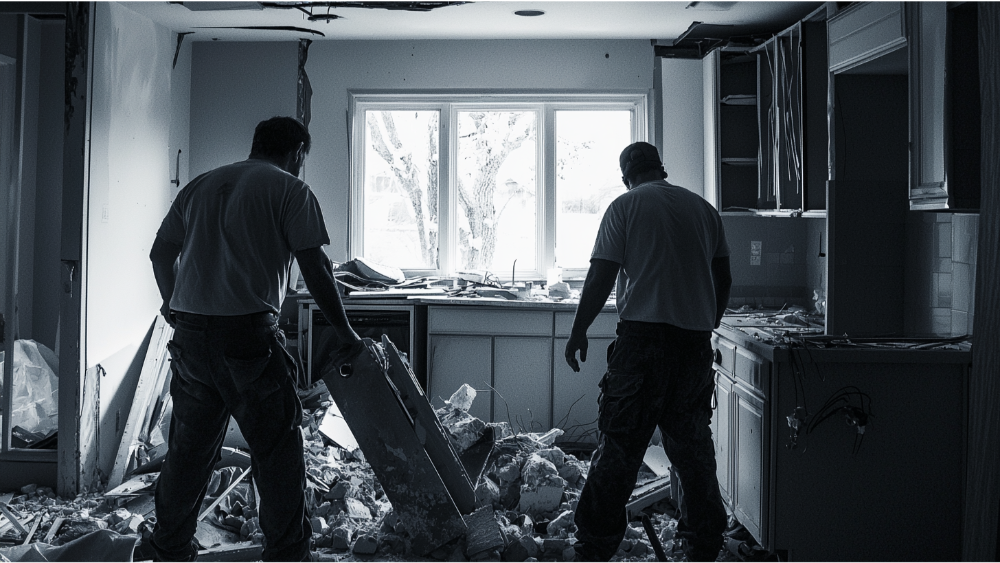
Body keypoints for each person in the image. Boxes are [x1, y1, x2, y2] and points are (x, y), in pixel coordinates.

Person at [148, 116, 362, 563]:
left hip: (190, 338)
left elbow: (160, 252)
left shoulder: (201, 186)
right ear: (297, 152)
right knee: (277, 451)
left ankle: (169, 550)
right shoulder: (290, 190)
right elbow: (316, 268)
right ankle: (287, 556)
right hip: (247, 338)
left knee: (188, 452)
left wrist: (172, 307)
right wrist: (344, 332)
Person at [565, 142, 732, 563]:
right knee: (693, 451)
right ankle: (702, 545)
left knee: (619, 449)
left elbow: (601, 274)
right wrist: (707, 321)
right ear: (662, 168)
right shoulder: (703, 210)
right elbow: (724, 276)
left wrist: (578, 330)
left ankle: (593, 548)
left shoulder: (625, 207)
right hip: (693, 348)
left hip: (641, 346)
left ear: (626, 176)